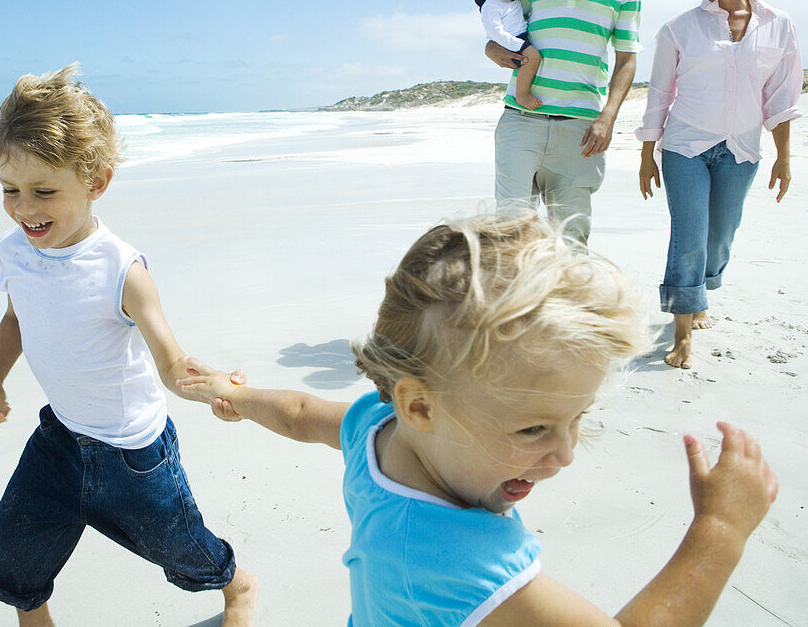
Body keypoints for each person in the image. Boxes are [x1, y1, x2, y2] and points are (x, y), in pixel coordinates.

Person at [178, 213, 778, 626]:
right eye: (533, 429)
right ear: (420, 406)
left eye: (577, 418)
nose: (565, 453)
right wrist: (721, 528)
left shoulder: (378, 429)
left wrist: (232, 395)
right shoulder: (456, 562)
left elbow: (302, 413)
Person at [0, 64, 257, 627]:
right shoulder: (14, 251)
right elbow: (16, 321)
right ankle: (36, 619)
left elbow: (172, 362)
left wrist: (216, 391)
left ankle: (239, 587)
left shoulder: (121, 270)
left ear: (96, 183)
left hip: (132, 455)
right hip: (59, 438)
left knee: (181, 548)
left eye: (43, 191)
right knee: (11, 544)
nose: (24, 207)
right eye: (10, 190)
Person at [637, 0, 802, 370]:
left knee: (720, 236)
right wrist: (646, 154)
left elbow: (782, 101)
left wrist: (785, 157)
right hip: (685, 146)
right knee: (689, 235)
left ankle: (701, 290)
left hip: (742, 150)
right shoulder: (679, 28)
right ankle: (682, 330)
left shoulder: (779, 25)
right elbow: (659, 93)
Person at [487, 0, 640, 244]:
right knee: (510, 237)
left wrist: (608, 117)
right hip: (520, 120)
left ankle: (567, 301)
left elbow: (627, 58)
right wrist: (489, 47)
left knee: (571, 239)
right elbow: (502, 23)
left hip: (580, 129)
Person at [475, 0, 543, 111]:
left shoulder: (512, 0)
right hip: (511, 40)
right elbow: (494, 32)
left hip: (518, 37)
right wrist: (517, 44)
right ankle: (522, 95)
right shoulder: (492, 4)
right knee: (533, 58)